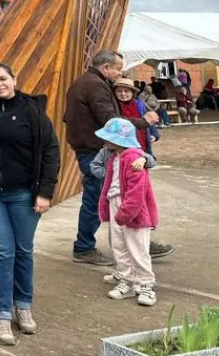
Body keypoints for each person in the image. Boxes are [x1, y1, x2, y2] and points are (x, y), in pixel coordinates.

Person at [0, 63, 60, 346]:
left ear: (14, 79)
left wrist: (45, 191)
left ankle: (23, 306)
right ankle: (1, 313)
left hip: (24, 193)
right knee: (1, 252)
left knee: (23, 251)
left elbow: (50, 150)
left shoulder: (32, 111)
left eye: (2, 78)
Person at [63, 50, 159, 266]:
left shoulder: (84, 82)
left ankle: (139, 239)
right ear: (106, 67)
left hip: (94, 148)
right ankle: (84, 247)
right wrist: (143, 122)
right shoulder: (95, 86)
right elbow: (111, 121)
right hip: (97, 150)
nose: (119, 72)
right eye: (117, 68)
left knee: (122, 195)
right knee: (99, 197)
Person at [92, 118, 160, 307]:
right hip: (116, 204)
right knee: (119, 246)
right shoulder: (114, 156)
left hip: (132, 210)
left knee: (138, 248)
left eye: (109, 137)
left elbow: (136, 191)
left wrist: (125, 213)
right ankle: (128, 280)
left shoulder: (133, 157)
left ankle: (146, 284)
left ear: (120, 140)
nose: (105, 141)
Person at [114, 78, 159, 155]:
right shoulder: (114, 106)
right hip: (123, 146)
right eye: (119, 91)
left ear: (132, 93)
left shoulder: (139, 105)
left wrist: (154, 134)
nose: (123, 94)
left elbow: (148, 119)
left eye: (126, 91)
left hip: (141, 143)